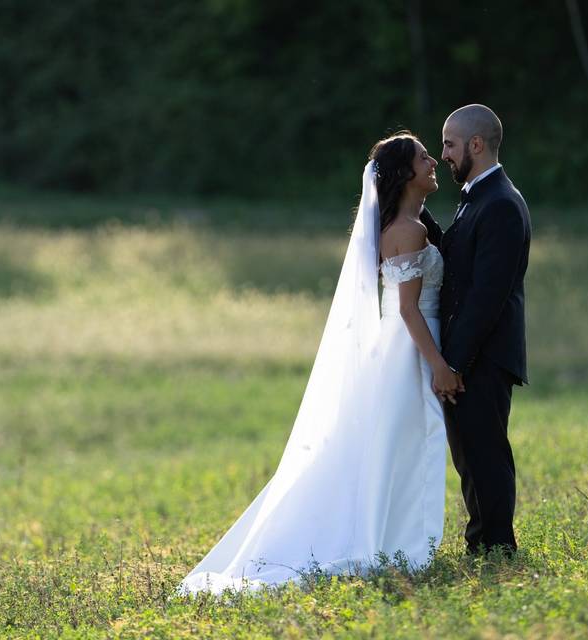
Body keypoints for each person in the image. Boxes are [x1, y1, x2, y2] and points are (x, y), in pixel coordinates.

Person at [178, 132, 456, 595]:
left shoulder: (404, 225)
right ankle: (394, 541)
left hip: (399, 346)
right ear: (406, 174)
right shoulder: (409, 231)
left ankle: (392, 536)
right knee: (403, 445)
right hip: (410, 348)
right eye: (425, 157)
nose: (433, 163)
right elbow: (408, 309)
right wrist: (440, 365)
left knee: (395, 447)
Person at [420, 104, 531, 556]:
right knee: (470, 454)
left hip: (483, 356)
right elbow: (456, 259)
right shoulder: (478, 197)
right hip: (471, 355)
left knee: (484, 453)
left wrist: (453, 364)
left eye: (449, 144)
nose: (443, 153)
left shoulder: (501, 204)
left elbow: (487, 297)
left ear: (476, 144)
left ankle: (497, 546)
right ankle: (481, 542)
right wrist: (412, 210)